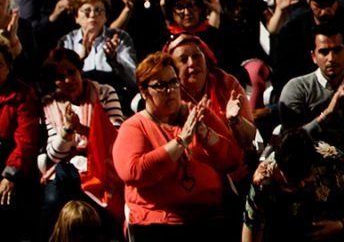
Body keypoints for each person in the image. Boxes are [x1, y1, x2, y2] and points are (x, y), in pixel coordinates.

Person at [112, 52, 242, 240]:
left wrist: (205, 134)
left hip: (210, 216)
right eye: (161, 86)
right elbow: (133, 172)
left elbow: (233, 159)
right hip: (159, 221)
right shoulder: (134, 126)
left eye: (173, 82)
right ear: (143, 91)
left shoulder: (197, 114)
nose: (170, 90)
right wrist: (181, 141)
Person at [38, 48, 125, 230]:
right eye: (60, 77)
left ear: (80, 71)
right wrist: (68, 130)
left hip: (102, 163)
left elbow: (116, 138)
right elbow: (54, 155)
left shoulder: (104, 93)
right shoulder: (50, 104)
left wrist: (83, 130)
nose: (68, 80)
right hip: (66, 168)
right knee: (52, 200)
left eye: (71, 72)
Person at [242, 128, 344, 242]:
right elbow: (252, 228)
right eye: (293, 180)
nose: (302, 184)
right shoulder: (262, 181)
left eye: (306, 177)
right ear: (279, 168)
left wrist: (341, 223)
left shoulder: (336, 163)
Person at [277, 24, 344, 160]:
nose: (331, 58)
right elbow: (290, 143)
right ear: (313, 56)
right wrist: (327, 113)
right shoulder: (297, 88)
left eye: (337, 50)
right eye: (324, 52)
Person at [164, 33, 257, 154]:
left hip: (236, 161)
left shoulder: (226, 83)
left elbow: (250, 139)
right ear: (173, 69)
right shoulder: (169, 95)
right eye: (183, 59)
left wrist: (235, 120)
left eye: (197, 56)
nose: (192, 63)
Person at [59, 0, 137, 93]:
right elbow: (60, 81)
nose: (92, 15)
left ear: (106, 16)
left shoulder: (120, 37)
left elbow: (134, 80)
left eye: (98, 10)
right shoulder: (67, 41)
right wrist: (80, 59)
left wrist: (114, 59)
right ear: (76, 17)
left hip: (116, 96)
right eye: (87, 11)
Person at [0, 36, 39, 239]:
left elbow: (26, 139)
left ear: (8, 66)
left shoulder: (22, 94)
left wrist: (9, 175)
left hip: (11, 163)